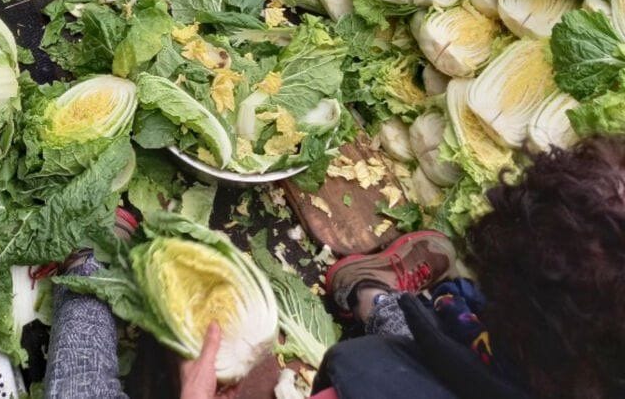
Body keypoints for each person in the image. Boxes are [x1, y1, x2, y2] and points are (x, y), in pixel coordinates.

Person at [39, 137, 625, 399]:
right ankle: (370, 293)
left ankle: (89, 276)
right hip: (471, 363)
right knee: (433, 332)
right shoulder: (562, 363)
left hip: (396, 380)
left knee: (80, 389)